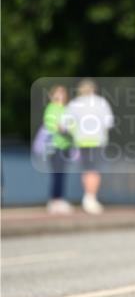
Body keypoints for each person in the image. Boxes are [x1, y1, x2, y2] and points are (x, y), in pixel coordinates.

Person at [61, 79, 114, 214]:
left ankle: (88, 196)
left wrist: (74, 132)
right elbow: (108, 122)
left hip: (81, 140)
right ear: (94, 89)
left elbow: (64, 124)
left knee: (86, 170)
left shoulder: (74, 103)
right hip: (97, 140)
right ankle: (90, 198)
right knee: (94, 170)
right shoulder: (101, 102)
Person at [42, 84, 73, 214]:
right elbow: (50, 125)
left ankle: (59, 198)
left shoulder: (67, 109)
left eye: (63, 92)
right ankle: (54, 200)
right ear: (52, 95)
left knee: (62, 173)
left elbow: (72, 126)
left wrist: (70, 130)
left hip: (65, 145)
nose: (61, 95)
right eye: (58, 92)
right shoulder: (51, 108)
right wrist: (61, 128)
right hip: (54, 146)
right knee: (56, 173)